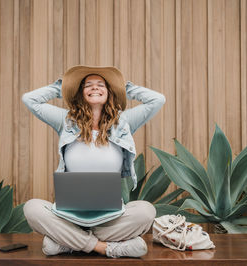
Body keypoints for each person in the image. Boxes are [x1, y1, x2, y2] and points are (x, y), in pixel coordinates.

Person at [22, 65, 166, 258]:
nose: (95, 88)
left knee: (146, 211)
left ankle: (68, 243)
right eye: (87, 85)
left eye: (101, 85)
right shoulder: (66, 121)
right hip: (69, 217)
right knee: (32, 208)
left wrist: (124, 88)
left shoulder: (123, 122)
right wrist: (63, 87)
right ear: (80, 93)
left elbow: (157, 100)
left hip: (111, 218)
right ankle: (104, 247)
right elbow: (30, 100)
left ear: (109, 92)